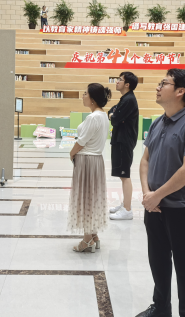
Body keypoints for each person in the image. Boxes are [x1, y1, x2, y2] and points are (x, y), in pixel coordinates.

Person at [136, 69, 185, 317]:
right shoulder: (158, 122)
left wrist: (157, 195)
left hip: (179, 207)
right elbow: (145, 160)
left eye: (163, 83)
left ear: (180, 91)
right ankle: (161, 308)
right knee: (158, 260)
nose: (158, 87)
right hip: (153, 205)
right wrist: (148, 194)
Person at [68, 83, 112, 252]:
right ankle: (93, 235)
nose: (83, 96)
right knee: (92, 197)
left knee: (86, 198)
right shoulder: (103, 116)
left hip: (87, 160)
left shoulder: (93, 117)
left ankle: (87, 240)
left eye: (85, 93)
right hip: (96, 161)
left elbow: (81, 141)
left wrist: (71, 153)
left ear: (92, 99)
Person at [108, 71, 139, 220]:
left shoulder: (129, 100)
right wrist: (113, 115)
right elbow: (112, 111)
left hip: (124, 141)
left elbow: (115, 118)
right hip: (120, 140)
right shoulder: (125, 99)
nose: (117, 82)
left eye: (120, 80)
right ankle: (125, 204)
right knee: (122, 175)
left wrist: (113, 116)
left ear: (127, 84)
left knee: (124, 175)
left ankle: (127, 210)